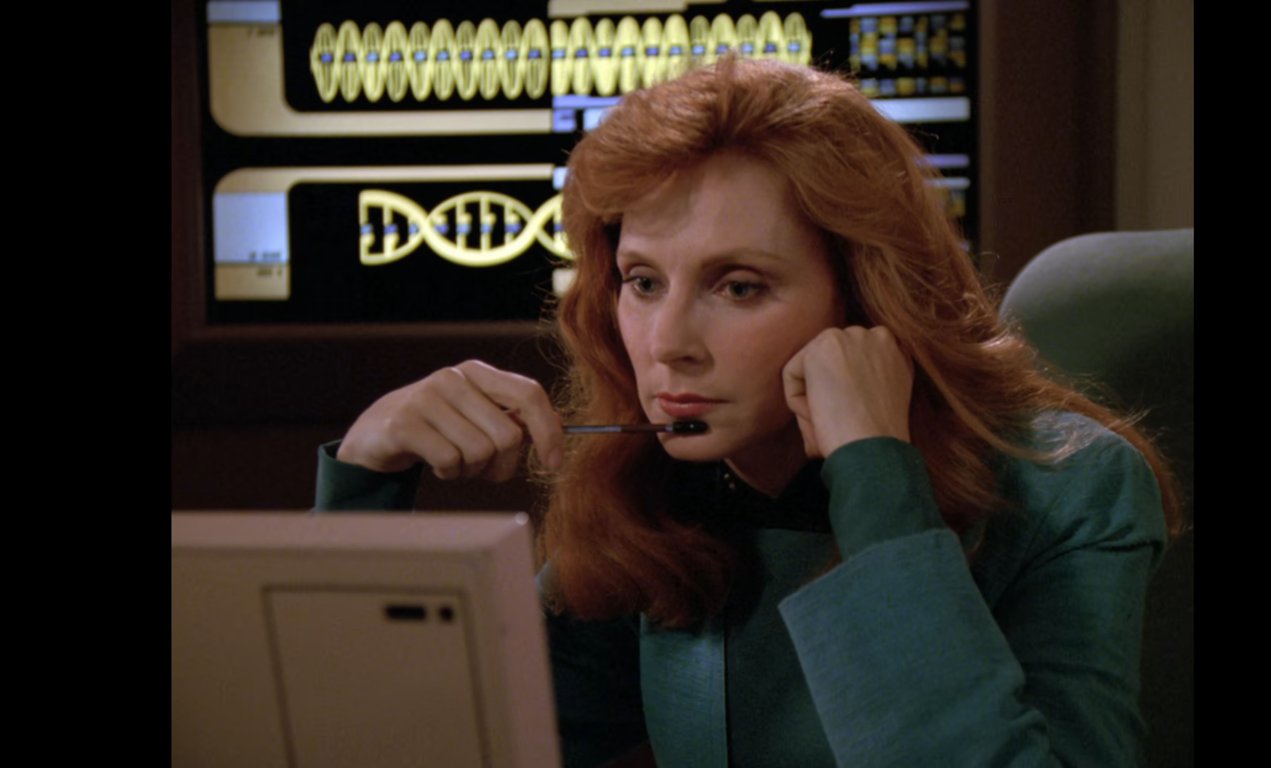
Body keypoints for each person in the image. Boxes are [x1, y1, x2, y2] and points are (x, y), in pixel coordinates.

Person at [317, 57, 1180, 767]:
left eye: (738, 286)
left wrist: (874, 473)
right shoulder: (659, 482)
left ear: (865, 301)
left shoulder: (1074, 487)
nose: (667, 344)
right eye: (643, 281)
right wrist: (366, 488)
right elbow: (425, 750)